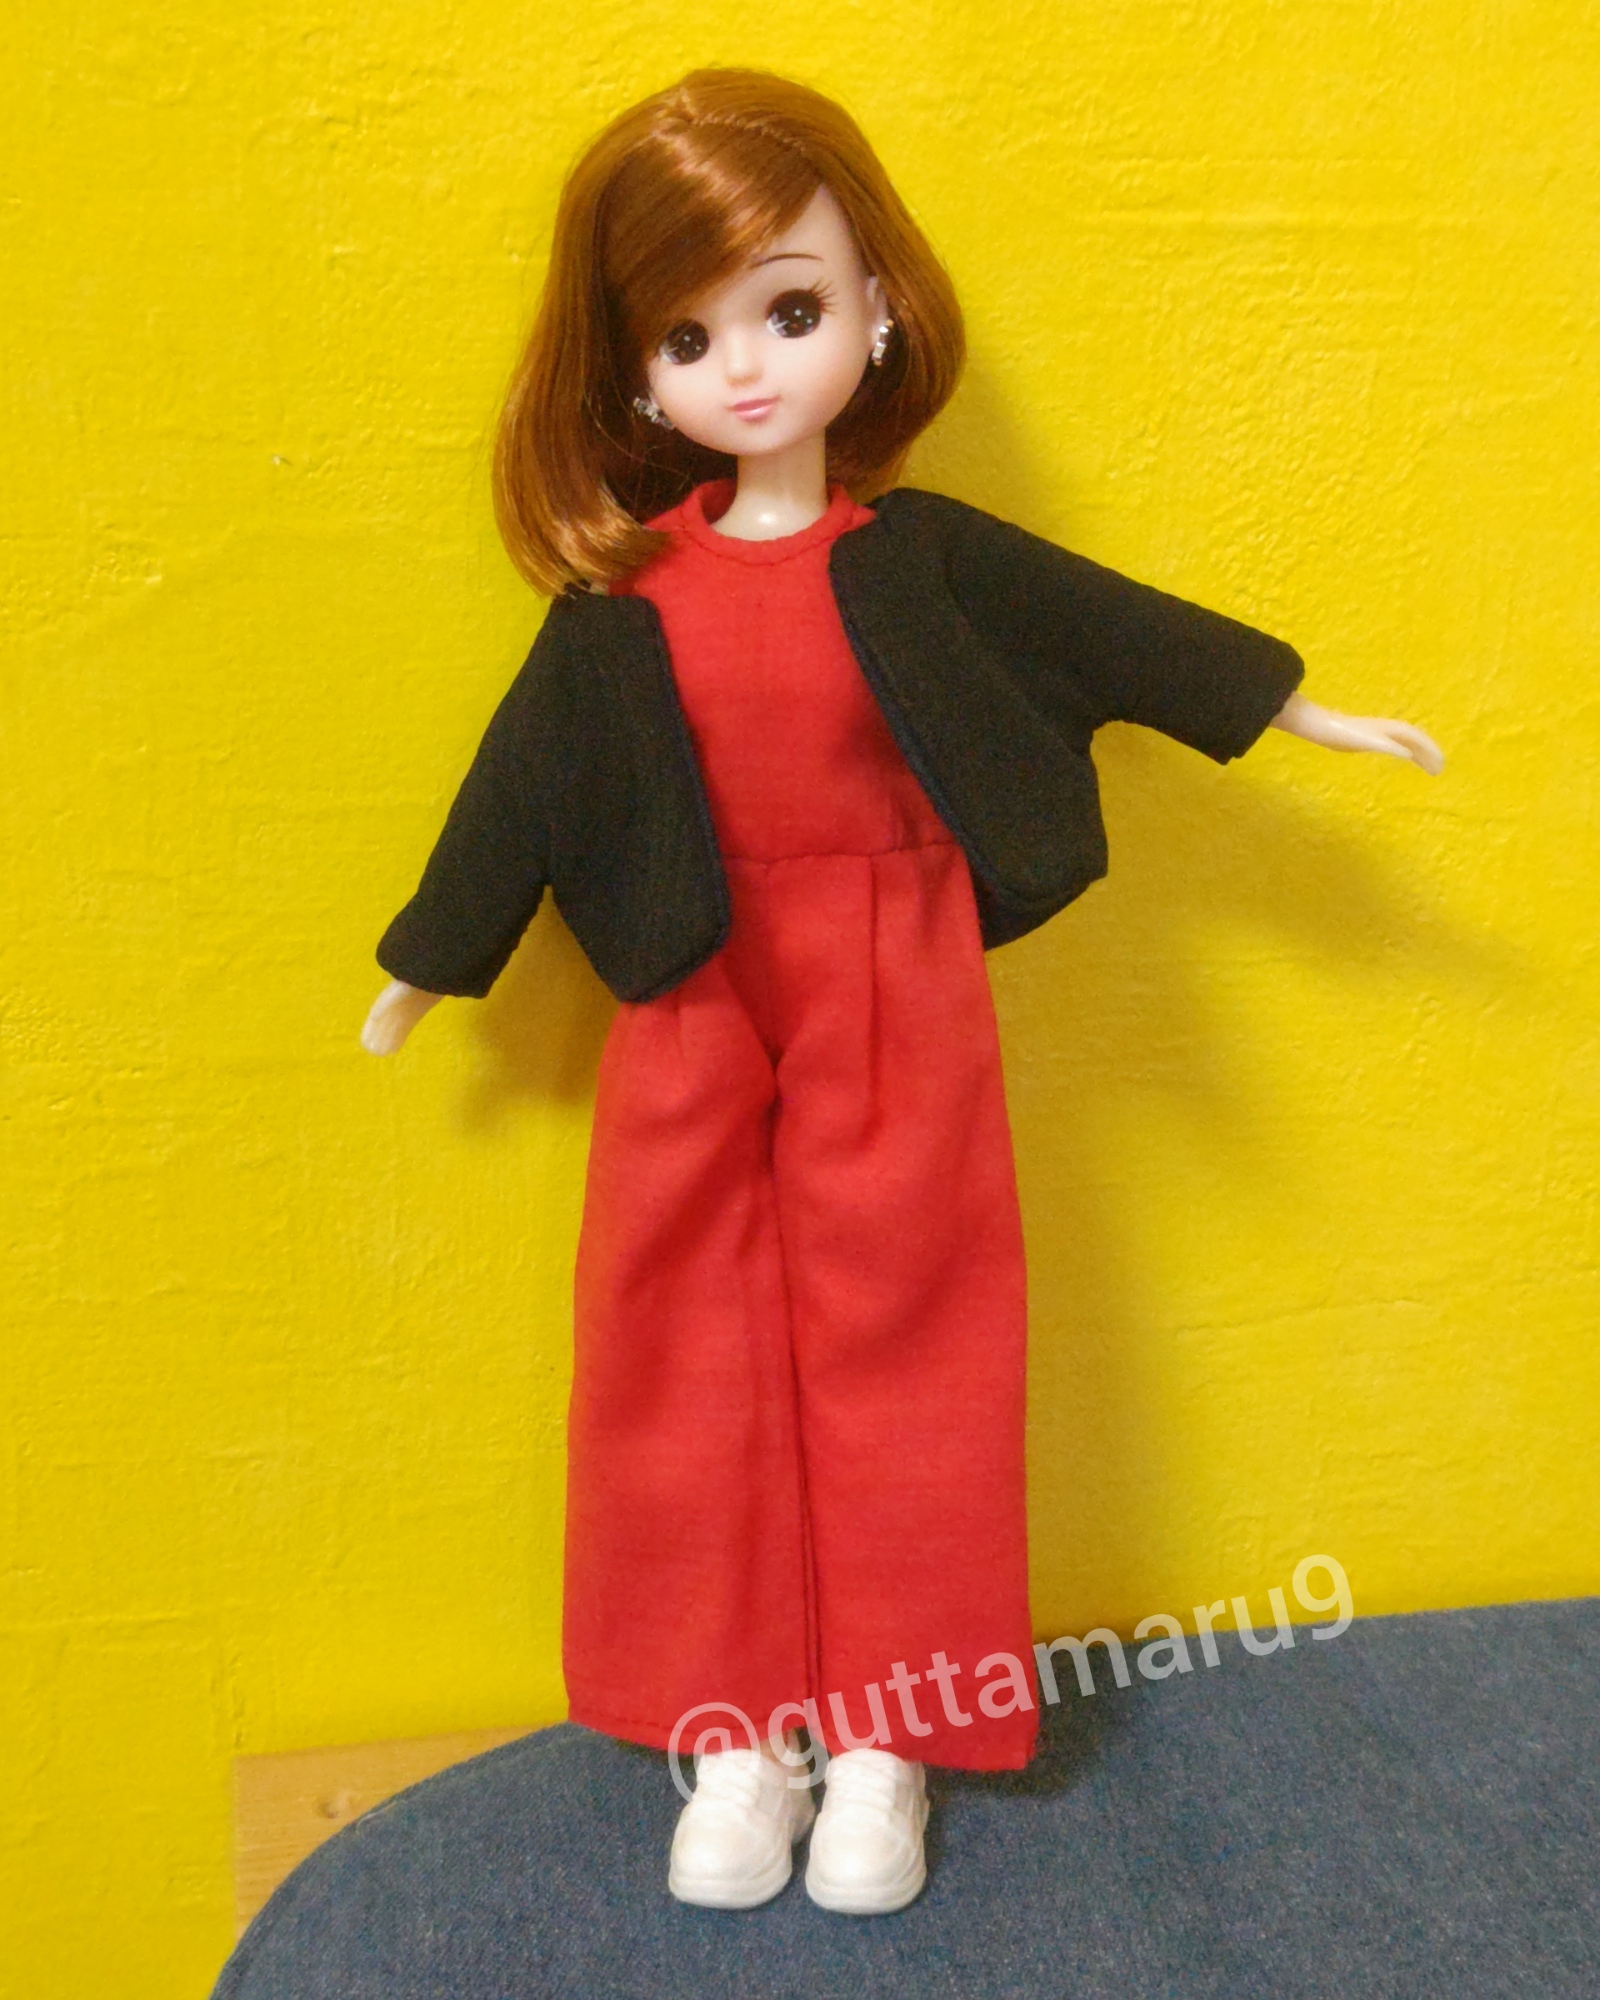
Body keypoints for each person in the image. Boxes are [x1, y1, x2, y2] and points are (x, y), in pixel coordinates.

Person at [361, 68, 1443, 1916]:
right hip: (691, 981)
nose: (747, 365)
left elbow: (1115, 631)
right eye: (689, 335)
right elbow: (520, 786)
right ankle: (732, 1729)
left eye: (788, 309)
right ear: (634, 375)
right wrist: (427, 960)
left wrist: (1293, 708)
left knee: (916, 1334)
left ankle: (889, 1731)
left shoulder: (921, 559)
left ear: (876, 308)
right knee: (677, 1341)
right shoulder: (625, 600)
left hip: (893, 978)